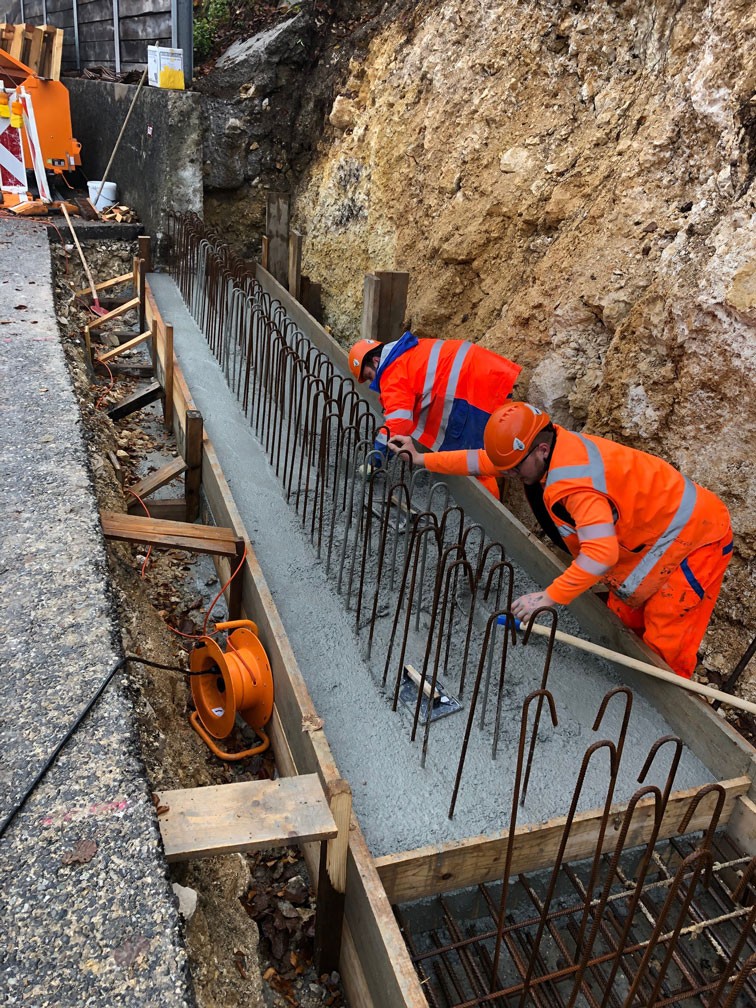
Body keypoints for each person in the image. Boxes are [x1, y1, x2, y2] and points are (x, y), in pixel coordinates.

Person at [390, 401, 732, 679]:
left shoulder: (574, 484)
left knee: (662, 650)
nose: (507, 475)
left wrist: (548, 597)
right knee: (624, 623)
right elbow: (485, 460)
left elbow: (600, 555)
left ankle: (676, 711)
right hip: (650, 537)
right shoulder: (546, 448)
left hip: (694, 540)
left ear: (539, 450)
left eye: (513, 469)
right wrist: (421, 457)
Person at [348, 331, 521, 496]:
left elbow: (398, 424)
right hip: (487, 376)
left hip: (474, 392)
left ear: (376, 360)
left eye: (370, 376)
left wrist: (375, 459)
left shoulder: (392, 372)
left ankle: (486, 514)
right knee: (497, 450)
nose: (373, 382)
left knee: (478, 460)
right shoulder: (405, 352)